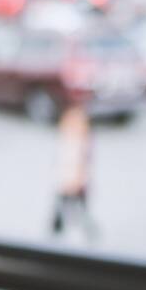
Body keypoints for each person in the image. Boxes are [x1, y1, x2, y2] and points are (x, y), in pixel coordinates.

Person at [49, 101, 100, 244]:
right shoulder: (69, 140)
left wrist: (77, 181)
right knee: (64, 209)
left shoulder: (79, 142)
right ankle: (57, 232)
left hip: (73, 182)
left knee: (75, 210)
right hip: (67, 181)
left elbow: (81, 164)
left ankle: (86, 231)